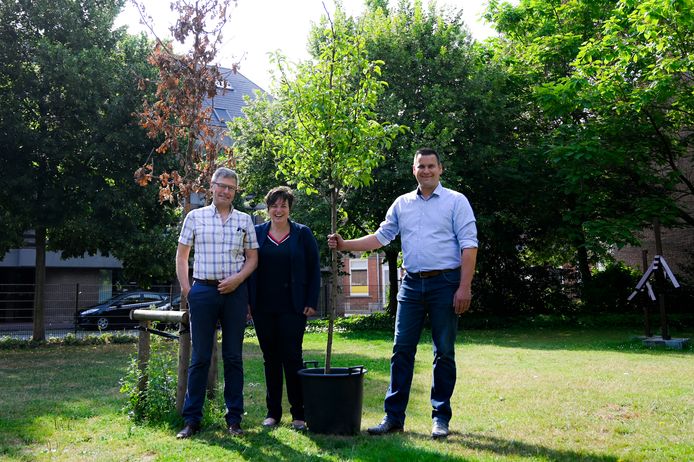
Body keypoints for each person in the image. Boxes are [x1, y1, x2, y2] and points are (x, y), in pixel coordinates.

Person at [328, 147, 478, 439]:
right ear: (414, 170)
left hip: (445, 283)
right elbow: (382, 236)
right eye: (421, 166)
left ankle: (440, 417)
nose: (426, 170)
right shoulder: (402, 203)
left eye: (431, 166)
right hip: (410, 284)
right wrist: (345, 245)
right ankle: (393, 417)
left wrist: (464, 286)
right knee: (401, 351)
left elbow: (469, 246)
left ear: (440, 169)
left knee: (443, 353)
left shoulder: (456, 202)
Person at [175, 167, 259, 439]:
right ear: (211, 187)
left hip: (235, 293)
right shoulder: (195, 217)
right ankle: (191, 420)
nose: (225, 191)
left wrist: (237, 280)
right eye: (221, 186)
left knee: (233, 357)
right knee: (200, 357)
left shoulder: (245, 220)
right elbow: (182, 257)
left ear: (235, 192)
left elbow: (252, 259)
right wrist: (189, 291)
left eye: (231, 188)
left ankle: (234, 420)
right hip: (203, 291)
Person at [249, 186, 321, 432]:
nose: (278, 210)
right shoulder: (256, 233)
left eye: (283, 205)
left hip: (294, 307)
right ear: (267, 208)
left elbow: (314, 270)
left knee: (292, 358)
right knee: (270, 360)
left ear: (290, 208)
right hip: (263, 307)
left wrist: (312, 301)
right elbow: (247, 267)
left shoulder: (303, 234)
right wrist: (248, 302)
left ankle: (299, 414)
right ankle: (273, 413)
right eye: (274, 206)